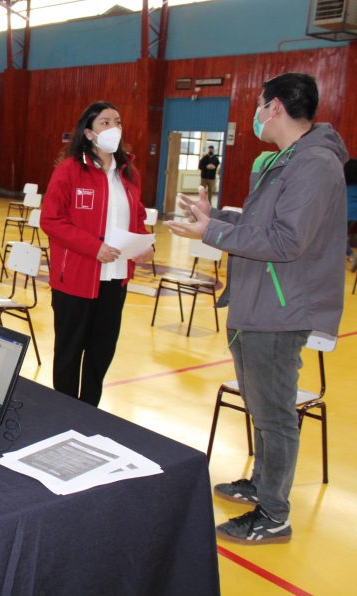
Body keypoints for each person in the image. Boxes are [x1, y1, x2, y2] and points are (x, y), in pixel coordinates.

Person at [167, 72, 346, 545]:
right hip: (257, 302)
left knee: (276, 414)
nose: (257, 113)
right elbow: (259, 223)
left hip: (280, 310)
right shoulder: (285, 161)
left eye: (261, 104)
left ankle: (274, 514)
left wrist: (209, 233)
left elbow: (286, 242)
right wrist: (217, 217)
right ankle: (261, 484)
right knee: (261, 406)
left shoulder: (314, 165)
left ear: (276, 108)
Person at [40, 100, 153, 407]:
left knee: (101, 352)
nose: (113, 127)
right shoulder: (70, 171)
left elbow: (137, 216)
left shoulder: (129, 173)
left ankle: (90, 412)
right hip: (75, 278)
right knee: (70, 352)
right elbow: (50, 221)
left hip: (114, 280)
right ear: (88, 133)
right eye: (105, 122)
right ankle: (64, 413)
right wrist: (94, 248)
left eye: (117, 121)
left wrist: (144, 244)